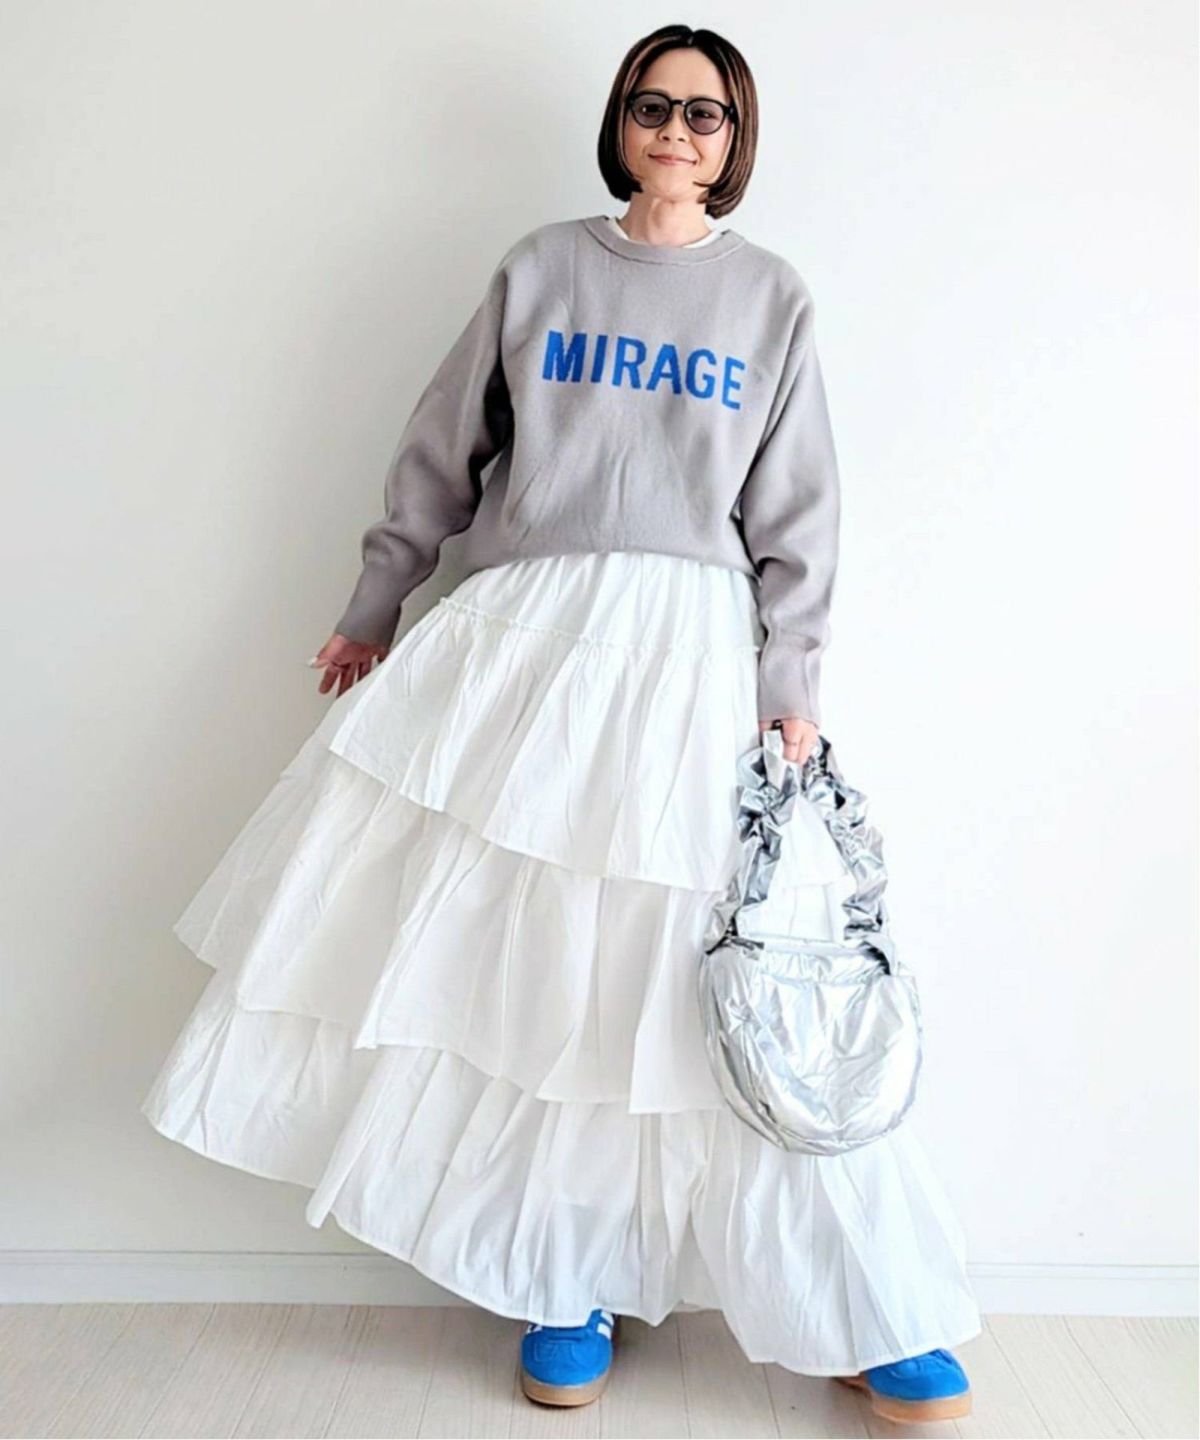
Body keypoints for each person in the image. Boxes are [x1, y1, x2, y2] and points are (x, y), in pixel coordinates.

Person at [141, 23, 982, 1426]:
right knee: (536, 962)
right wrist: (375, 602)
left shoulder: (769, 297)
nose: (676, 130)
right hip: (523, 641)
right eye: (653, 105)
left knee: (710, 960)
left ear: (736, 138)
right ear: (620, 122)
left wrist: (792, 690)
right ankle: (560, 1274)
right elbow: (441, 450)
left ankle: (854, 1300)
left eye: (705, 113)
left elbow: (799, 513)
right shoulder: (540, 267)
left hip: (686, 654)